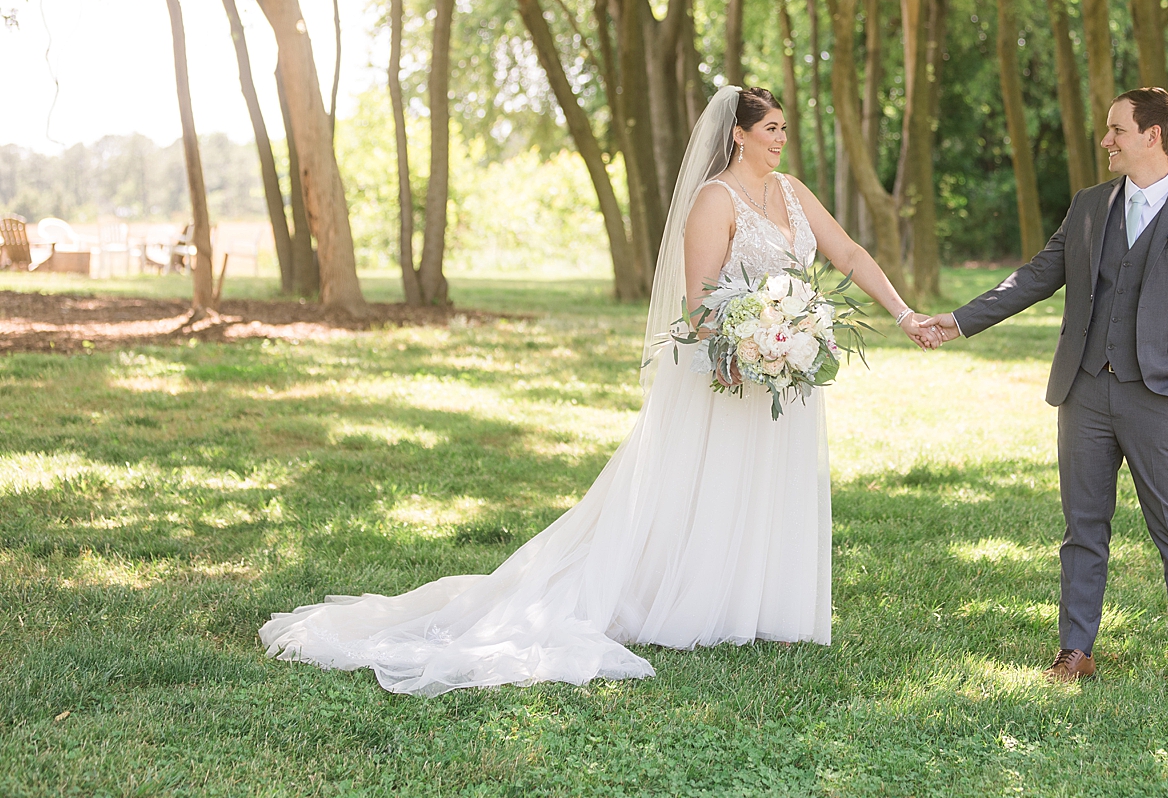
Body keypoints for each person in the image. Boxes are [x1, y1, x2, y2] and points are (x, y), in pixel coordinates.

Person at [260, 86, 930, 694]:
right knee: (718, 489)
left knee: (774, 490)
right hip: (734, 374)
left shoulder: (791, 192)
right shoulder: (713, 201)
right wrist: (750, 343)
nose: (782, 139)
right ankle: (699, 604)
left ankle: (770, 609)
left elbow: (849, 256)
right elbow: (698, 307)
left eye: (785, 128)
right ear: (739, 134)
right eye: (772, 128)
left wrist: (900, 313)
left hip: (789, 378)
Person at [917, 87, 1168, 694]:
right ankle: (1075, 651)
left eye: (1117, 130)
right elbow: (1038, 275)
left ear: (1153, 137)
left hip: (1162, 397)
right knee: (1082, 526)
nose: (1106, 141)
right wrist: (960, 320)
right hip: (1085, 391)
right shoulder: (1090, 205)